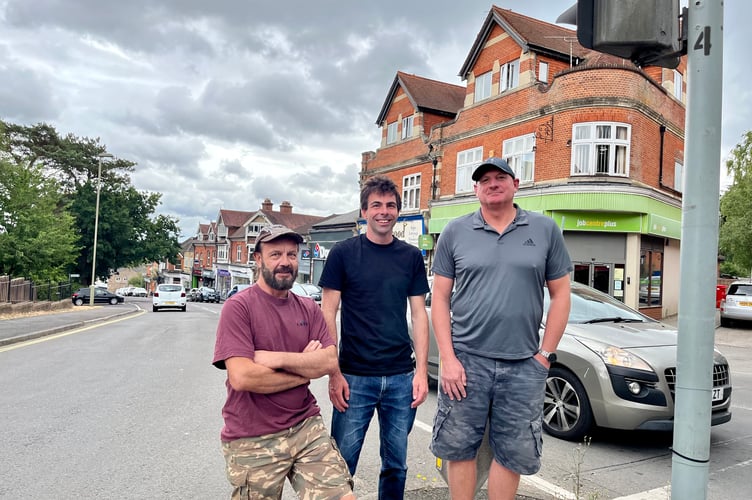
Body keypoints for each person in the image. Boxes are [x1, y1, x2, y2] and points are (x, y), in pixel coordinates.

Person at [429, 157, 572, 500]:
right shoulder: (455, 231)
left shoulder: (544, 229)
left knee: (514, 452)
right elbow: (440, 298)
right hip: (466, 361)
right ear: (476, 189)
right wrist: (448, 359)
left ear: (515, 184)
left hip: (524, 363)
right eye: (485, 180)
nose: (492, 184)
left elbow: (561, 293)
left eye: (500, 177)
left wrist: (544, 355)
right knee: (459, 446)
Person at [212, 224, 355, 500]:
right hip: (253, 435)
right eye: (275, 254)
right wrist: (304, 370)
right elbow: (243, 377)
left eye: (291, 254)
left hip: (304, 425)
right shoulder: (239, 307)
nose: (285, 262)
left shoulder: (308, 309)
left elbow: (328, 360)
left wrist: (274, 358)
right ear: (258, 259)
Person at [319, 175, 430, 500]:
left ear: (398, 211)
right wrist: (333, 372)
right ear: (364, 211)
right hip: (354, 377)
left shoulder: (410, 257)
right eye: (377, 205)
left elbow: (419, 314)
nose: (384, 211)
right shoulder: (343, 254)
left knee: (396, 465)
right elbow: (328, 313)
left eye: (391, 205)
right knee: (341, 464)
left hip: (400, 378)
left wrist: (421, 372)